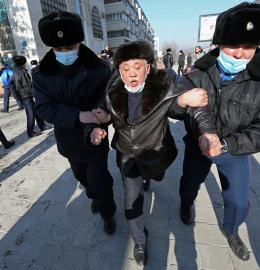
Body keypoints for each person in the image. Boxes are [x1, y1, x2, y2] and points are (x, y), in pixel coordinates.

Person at [86, 41, 218, 266]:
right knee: (131, 203)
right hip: (127, 156)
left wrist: (207, 132)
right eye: (126, 69)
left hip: (157, 152)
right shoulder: (112, 88)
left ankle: (152, 176)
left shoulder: (164, 81)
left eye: (136, 66)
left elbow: (196, 103)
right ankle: (139, 241)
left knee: (156, 175)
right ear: (119, 71)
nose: (131, 73)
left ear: (147, 67)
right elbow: (105, 113)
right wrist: (99, 123)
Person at [179, 2, 260, 262]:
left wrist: (227, 145)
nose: (240, 54)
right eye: (233, 45)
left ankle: (230, 230)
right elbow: (174, 109)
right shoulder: (196, 73)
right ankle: (185, 205)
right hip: (197, 147)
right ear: (218, 43)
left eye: (249, 46)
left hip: (235, 150)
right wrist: (181, 101)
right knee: (189, 185)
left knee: (239, 202)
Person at [32, 11, 116, 234]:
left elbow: (108, 98)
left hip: (97, 139)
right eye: (59, 49)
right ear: (51, 47)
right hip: (68, 139)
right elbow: (43, 108)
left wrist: (102, 117)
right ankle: (93, 194)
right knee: (81, 176)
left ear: (79, 42)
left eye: (70, 47)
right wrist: (79, 116)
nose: (65, 53)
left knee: (100, 180)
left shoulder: (102, 69)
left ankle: (108, 214)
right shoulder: (41, 74)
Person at [12, 55, 52, 137]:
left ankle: (42, 125)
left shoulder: (18, 71)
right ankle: (30, 131)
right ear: (22, 63)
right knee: (30, 114)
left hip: (26, 95)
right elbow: (27, 86)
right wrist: (34, 94)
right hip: (26, 97)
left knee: (36, 111)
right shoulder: (20, 73)